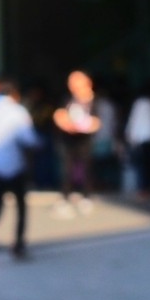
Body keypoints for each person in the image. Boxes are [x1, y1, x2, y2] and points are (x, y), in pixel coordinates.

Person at [0, 81, 41, 263]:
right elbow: (29, 139)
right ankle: (18, 245)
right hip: (15, 166)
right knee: (20, 208)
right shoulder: (18, 112)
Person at [52, 70, 102, 215]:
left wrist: (82, 126)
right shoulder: (67, 99)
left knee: (86, 168)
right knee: (67, 169)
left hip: (84, 140)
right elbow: (59, 114)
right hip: (68, 140)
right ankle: (65, 196)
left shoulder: (93, 100)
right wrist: (65, 123)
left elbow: (96, 122)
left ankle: (86, 196)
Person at [125, 87, 150, 198]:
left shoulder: (139, 104)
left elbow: (133, 121)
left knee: (141, 166)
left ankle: (142, 188)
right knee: (149, 165)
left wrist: (130, 136)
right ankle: (147, 188)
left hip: (140, 139)